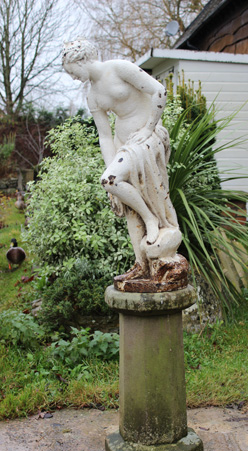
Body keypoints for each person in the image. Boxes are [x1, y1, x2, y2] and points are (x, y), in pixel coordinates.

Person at [62, 37, 182, 280]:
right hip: (123, 145)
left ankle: (151, 219)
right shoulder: (92, 96)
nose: (72, 76)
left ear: (80, 59)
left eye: (71, 70)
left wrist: (149, 128)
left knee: (110, 180)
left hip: (147, 139)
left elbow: (159, 90)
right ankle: (141, 263)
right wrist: (111, 165)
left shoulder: (118, 68)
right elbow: (105, 137)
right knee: (122, 199)